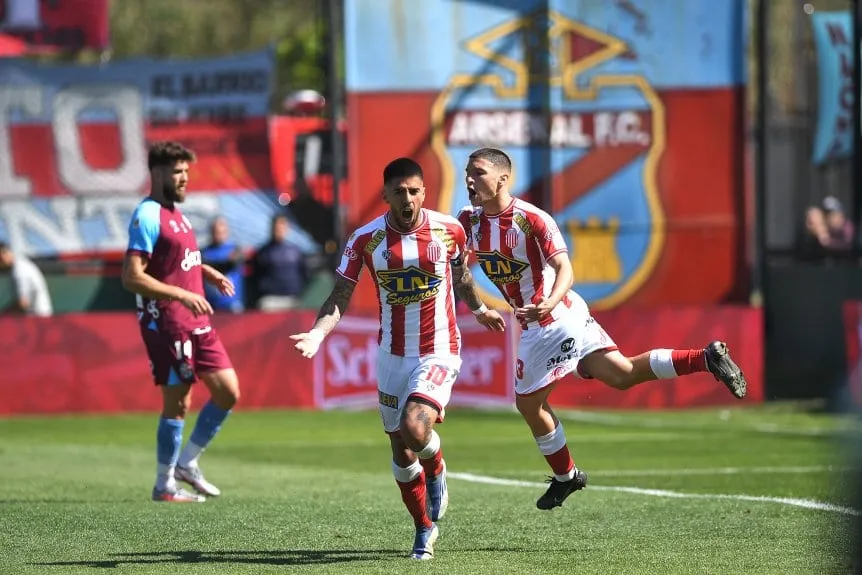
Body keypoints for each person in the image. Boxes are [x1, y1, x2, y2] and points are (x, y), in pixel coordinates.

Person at [458, 147, 747, 511]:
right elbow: (459, 271)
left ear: (503, 178)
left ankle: (566, 476)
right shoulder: (468, 222)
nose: (470, 178)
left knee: (528, 403)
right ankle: (705, 358)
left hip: (552, 321)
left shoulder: (532, 218)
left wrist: (548, 301)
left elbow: (565, 268)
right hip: (563, 314)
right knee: (622, 373)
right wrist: (479, 307)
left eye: (479, 172)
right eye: (468, 171)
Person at [290, 157, 505, 560]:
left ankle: (437, 466)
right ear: (386, 194)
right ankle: (424, 528)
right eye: (399, 192)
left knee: (415, 427)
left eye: (414, 190)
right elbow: (339, 296)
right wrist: (318, 335)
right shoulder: (365, 240)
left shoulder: (449, 230)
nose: (407, 199)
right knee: (401, 450)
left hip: (439, 347)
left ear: (424, 191)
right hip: (392, 354)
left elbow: (461, 276)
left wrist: (477, 310)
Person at [121, 141, 241, 503]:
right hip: (167, 321)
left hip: (195, 318)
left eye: (187, 172)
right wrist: (180, 294)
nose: (185, 178)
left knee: (228, 391)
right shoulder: (147, 215)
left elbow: (177, 260)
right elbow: (131, 277)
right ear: (157, 174)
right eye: (178, 172)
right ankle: (164, 485)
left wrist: (206, 272)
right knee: (178, 402)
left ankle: (187, 463)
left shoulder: (178, 214)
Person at [251, 214, 309, 311]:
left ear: (287, 229)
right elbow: (255, 276)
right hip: (270, 301)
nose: (279, 230)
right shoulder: (263, 252)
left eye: (282, 226)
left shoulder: (296, 251)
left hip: (293, 300)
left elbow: (304, 273)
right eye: (277, 227)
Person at [201, 216, 245, 313]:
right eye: (216, 232)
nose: (219, 235)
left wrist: (210, 266)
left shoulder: (236, 249)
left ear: (227, 232)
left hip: (232, 305)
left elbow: (231, 264)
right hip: (211, 305)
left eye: (222, 232)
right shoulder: (204, 251)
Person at [0, 242, 53, 316]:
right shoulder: (21, 266)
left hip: (36, 321)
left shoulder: (20, 271)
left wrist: (2, 315)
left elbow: (23, 303)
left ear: (3, 255)